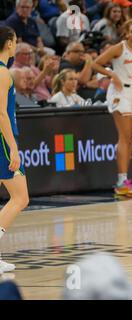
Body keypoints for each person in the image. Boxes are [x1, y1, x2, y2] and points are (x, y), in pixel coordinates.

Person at [92, 19, 132, 195]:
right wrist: (111, 74)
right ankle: (121, 181)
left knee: (130, 139)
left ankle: (125, 180)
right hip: (119, 92)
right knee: (124, 136)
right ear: (126, 33)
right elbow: (95, 63)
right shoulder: (119, 48)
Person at [0, 26, 30, 274]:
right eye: (15, 41)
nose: (16, 44)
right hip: (1, 140)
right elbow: (1, 113)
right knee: (21, 197)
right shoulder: (2, 73)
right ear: (9, 43)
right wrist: (12, 146)